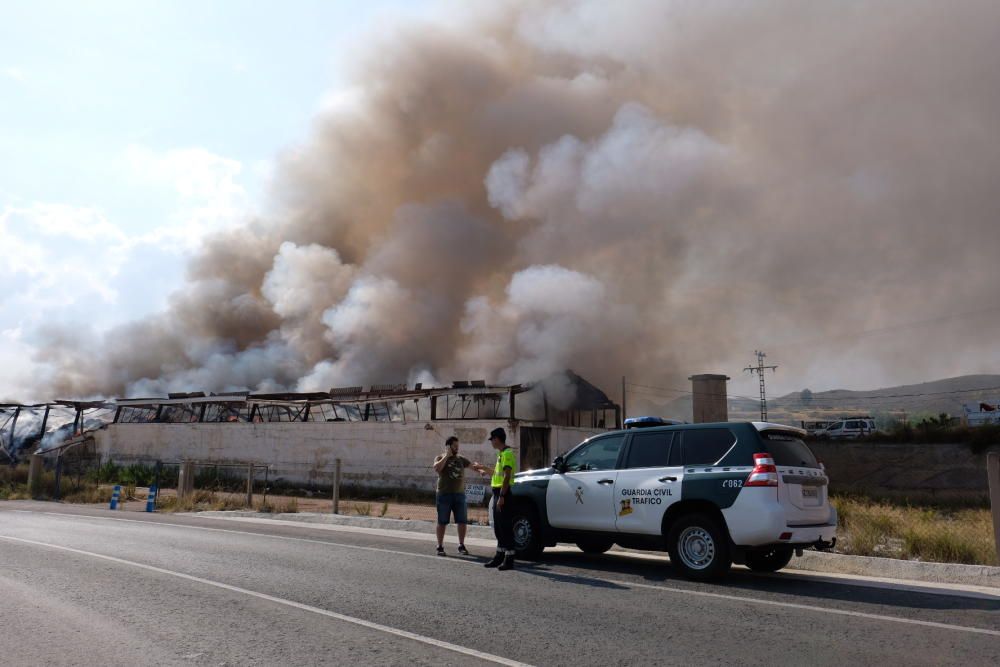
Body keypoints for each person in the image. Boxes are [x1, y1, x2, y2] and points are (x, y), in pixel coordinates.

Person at [432, 436, 482, 556]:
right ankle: (440, 546)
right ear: (448, 446)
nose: (457, 448)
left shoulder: (461, 459)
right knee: (442, 521)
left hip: (459, 494)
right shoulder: (440, 457)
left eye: (457, 445)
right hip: (444, 494)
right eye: (454, 446)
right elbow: (436, 468)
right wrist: (446, 456)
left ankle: (461, 545)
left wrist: (480, 470)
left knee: (462, 521)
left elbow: (471, 466)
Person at [483, 427, 518, 571]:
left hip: (504, 493)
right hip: (498, 492)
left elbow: (507, 476)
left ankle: (509, 559)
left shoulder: (507, 454)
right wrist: (483, 469)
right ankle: (499, 555)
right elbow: (497, 473)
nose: (491, 442)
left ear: (497, 439)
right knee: (498, 527)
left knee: (505, 526)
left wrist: (502, 496)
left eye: (492, 439)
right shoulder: (501, 454)